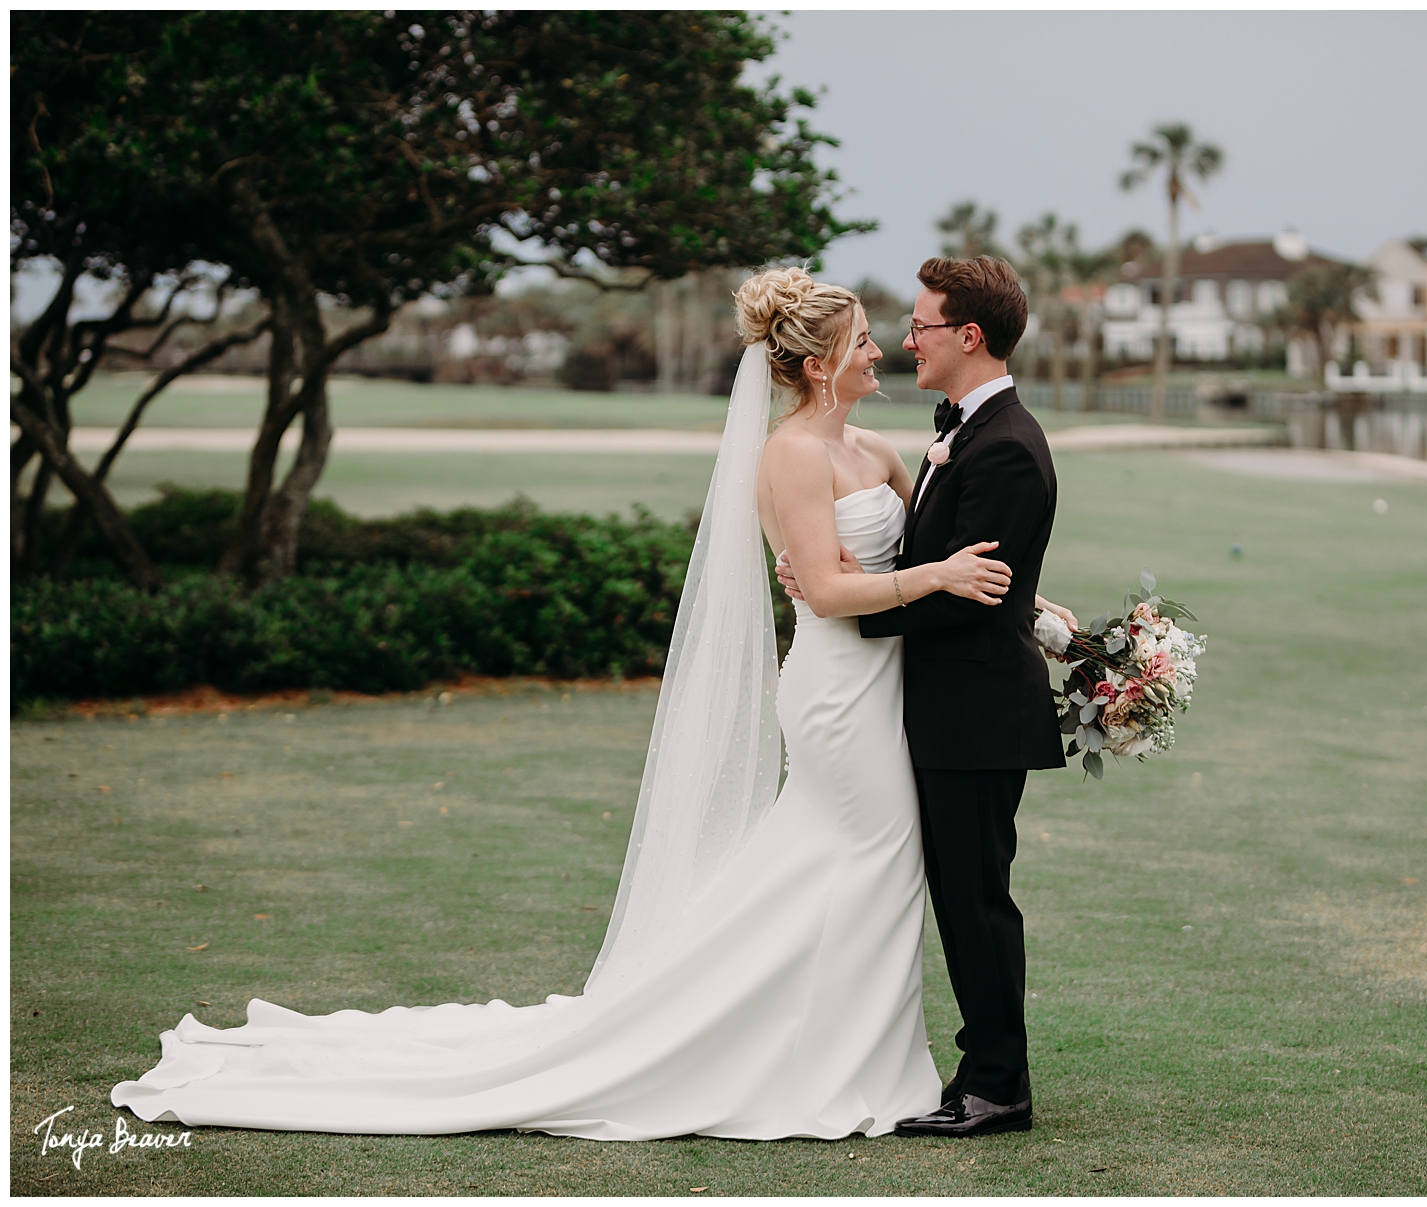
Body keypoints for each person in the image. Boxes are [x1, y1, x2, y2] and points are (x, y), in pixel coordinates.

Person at [109, 268, 1030, 1143]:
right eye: (867, 341)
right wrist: (916, 575)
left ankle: (849, 1049)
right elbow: (831, 591)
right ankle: (810, 1056)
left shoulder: (875, 447)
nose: (884, 351)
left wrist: (1003, 592)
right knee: (868, 854)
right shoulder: (788, 453)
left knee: (866, 865)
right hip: (836, 695)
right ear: (821, 362)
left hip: (886, 688)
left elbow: (924, 544)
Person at [779, 255, 1074, 1138]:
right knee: (952, 892)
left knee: (975, 899)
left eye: (920, 326)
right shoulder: (964, 433)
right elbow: (944, 563)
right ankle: (973, 1070)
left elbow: (964, 588)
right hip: (931, 705)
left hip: (974, 712)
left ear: (968, 336)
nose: (906, 340)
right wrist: (830, 570)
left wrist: (838, 592)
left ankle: (997, 1085)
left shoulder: (1008, 447)